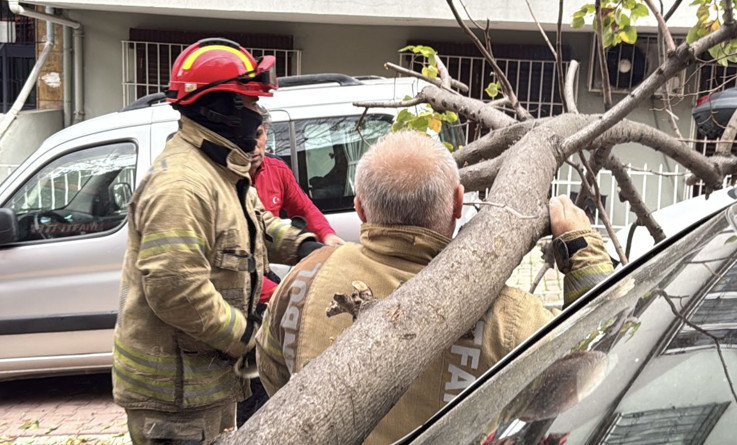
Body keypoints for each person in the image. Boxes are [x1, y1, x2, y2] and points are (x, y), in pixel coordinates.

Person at [255, 131, 614, 444]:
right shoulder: (511, 318)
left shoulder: (305, 277)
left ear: (360, 209)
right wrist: (583, 250)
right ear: (458, 203)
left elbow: (274, 375)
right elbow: (591, 373)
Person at [112, 38, 322, 445]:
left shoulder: (220, 170)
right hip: (174, 399)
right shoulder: (182, 186)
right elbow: (176, 290)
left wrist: (306, 247)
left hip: (203, 383)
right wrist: (249, 339)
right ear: (219, 109)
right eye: (250, 104)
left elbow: (259, 223)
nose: (257, 116)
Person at [248, 114, 344, 303]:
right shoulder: (224, 179)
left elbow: (304, 209)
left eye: (258, 134)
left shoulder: (277, 170)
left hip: (263, 269)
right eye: (245, 136)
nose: (253, 145)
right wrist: (279, 295)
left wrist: (327, 236)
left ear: (266, 132)